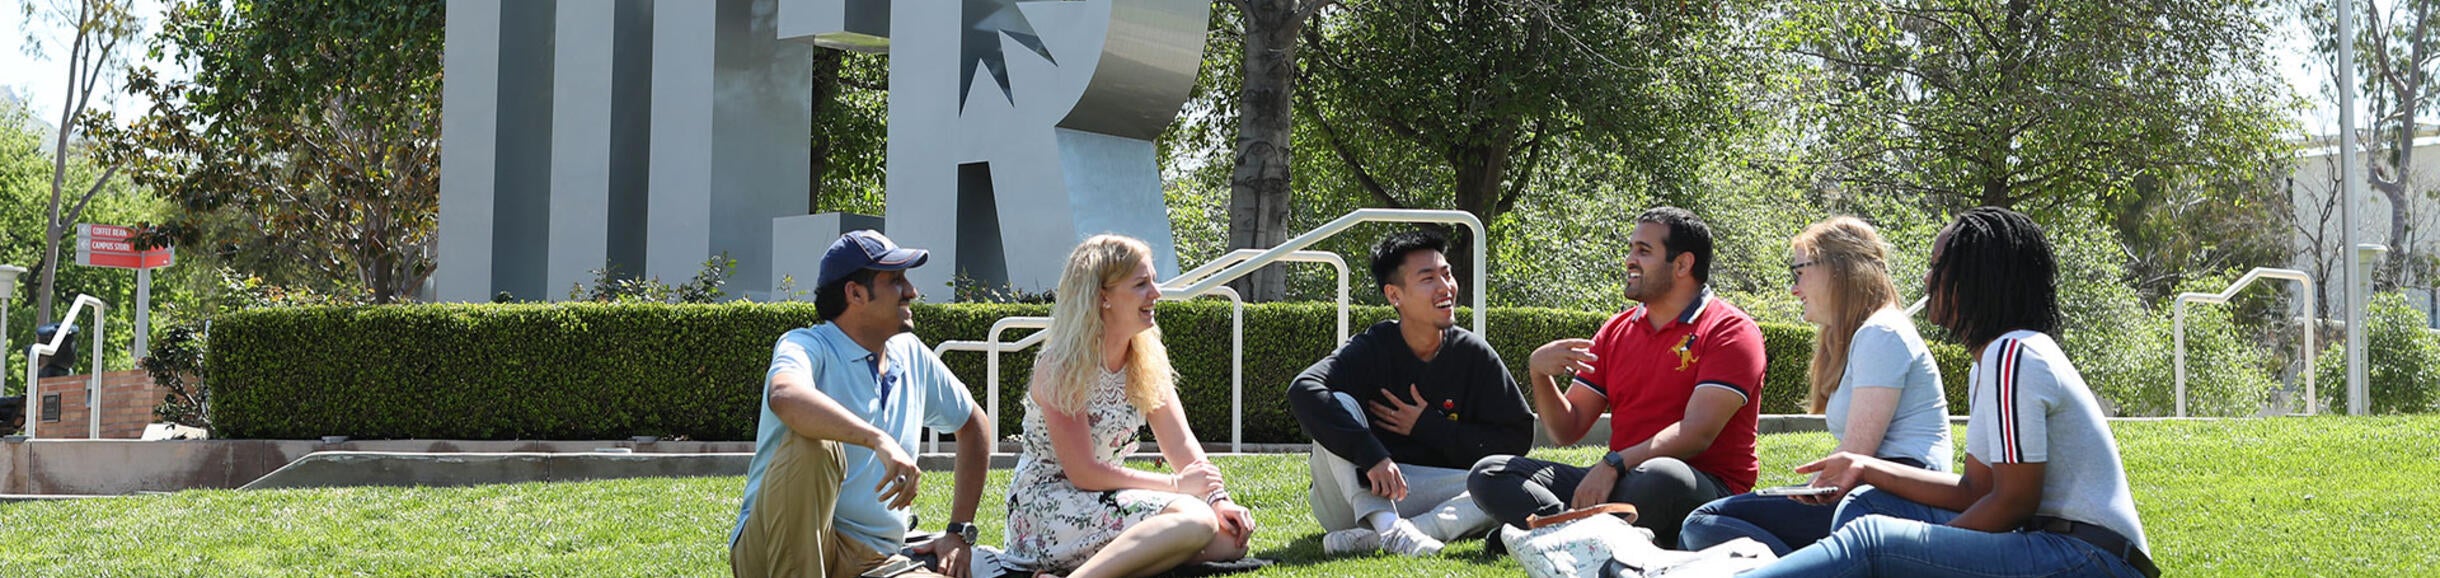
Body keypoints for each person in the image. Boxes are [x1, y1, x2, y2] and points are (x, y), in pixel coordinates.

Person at [1745, 207, 2158, 577]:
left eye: (1938, 266)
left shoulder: (2013, 354)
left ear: (1976, 278)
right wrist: (1864, 467)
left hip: (2091, 557)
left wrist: (1923, 549)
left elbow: (2016, 500)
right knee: (1876, 528)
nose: (1926, 278)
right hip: (2059, 548)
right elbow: (1974, 491)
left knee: (1876, 541)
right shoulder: (1989, 365)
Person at [1468, 207, 1767, 549]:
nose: (1629, 260)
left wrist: (1613, 463)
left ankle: (1554, 532)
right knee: (1490, 472)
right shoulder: (1617, 330)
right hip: (1623, 478)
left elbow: (1696, 433)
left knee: (1661, 475)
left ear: (1683, 264)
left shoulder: (1731, 330)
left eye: (1643, 251)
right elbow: (1568, 429)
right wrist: (1539, 373)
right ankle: (1572, 537)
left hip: (1698, 488)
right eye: (1631, 249)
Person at [1678, 216, 1952, 556]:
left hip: (1899, 499)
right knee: (1707, 525)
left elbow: (1857, 455)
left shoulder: (1882, 333)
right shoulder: (1866, 335)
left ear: (1837, 269)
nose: (1795, 288)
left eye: (1800, 272)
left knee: (1704, 523)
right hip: (1874, 493)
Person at [729, 230, 996, 578]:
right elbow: (785, 396)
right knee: (815, 444)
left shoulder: (912, 354)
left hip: (873, 559)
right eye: (897, 280)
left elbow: (972, 424)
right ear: (855, 293)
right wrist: (878, 440)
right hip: (773, 548)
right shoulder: (807, 345)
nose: (912, 291)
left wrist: (960, 531)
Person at [1002, 234, 1256, 578]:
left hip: (1105, 498)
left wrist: (1218, 499)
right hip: (1047, 504)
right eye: (1141, 284)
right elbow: (1084, 472)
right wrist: (1177, 488)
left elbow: (1180, 444)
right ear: (1103, 296)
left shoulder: (1146, 357)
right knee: (1194, 522)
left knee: (1229, 539)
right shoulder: (1061, 366)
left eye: (1153, 280)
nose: (1156, 292)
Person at [1287, 231, 1534, 557]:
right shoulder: (1373, 348)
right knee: (1339, 402)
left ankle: (1393, 535)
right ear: (1394, 295)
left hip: (1421, 493)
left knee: (1514, 487)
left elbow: (1516, 439)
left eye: (1447, 274)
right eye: (1428, 279)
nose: (1446, 288)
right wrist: (1372, 454)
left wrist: (1428, 427)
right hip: (1351, 495)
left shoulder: (1472, 354)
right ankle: (1387, 524)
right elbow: (1304, 389)